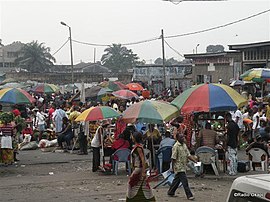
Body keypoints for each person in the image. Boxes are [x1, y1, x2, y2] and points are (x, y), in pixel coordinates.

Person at [126, 131, 156, 201]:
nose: (131, 137)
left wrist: (143, 171)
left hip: (138, 169)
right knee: (143, 185)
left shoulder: (138, 148)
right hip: (138, 169)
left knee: (132, 185)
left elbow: (143, 159)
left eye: (132, 136)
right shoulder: (137, 146)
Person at [167, 133, 197, 200]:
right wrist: (172, 168)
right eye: (181, 137)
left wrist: (194, 160)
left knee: (176, 180)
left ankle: (171, 192)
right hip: (178, 166)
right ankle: (189, 195)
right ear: (177, 138)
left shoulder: (184, 145)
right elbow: (173, 158)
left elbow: (188, 155)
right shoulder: (176, 146)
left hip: (183, 165)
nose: (183, 138)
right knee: (184, 181)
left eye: (183, 137)